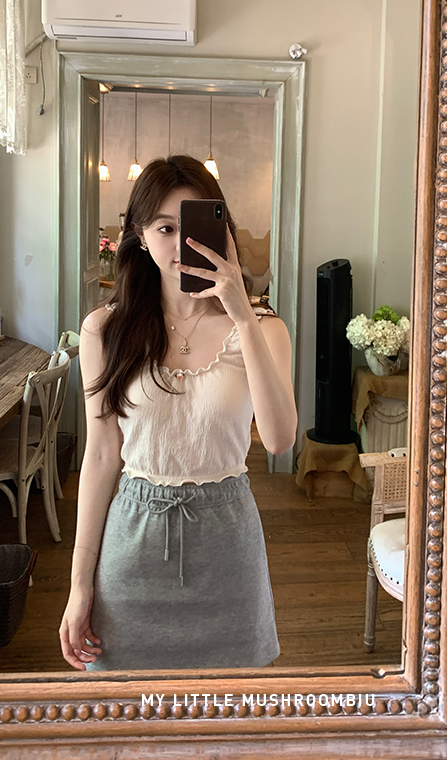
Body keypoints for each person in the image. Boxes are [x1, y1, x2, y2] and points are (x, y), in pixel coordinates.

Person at [59, 154, 297, 671]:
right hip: (132, 548)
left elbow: (280, 440)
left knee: (226, 716)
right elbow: (101, 457)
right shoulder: (105, 330)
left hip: (229, 550)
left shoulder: (264, 330)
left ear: (222, 231)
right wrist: (79, 585)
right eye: (165, 228)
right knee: (126, 715)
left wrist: (242, 313)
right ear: (140, 237)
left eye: (192, 226)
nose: (181, 243)